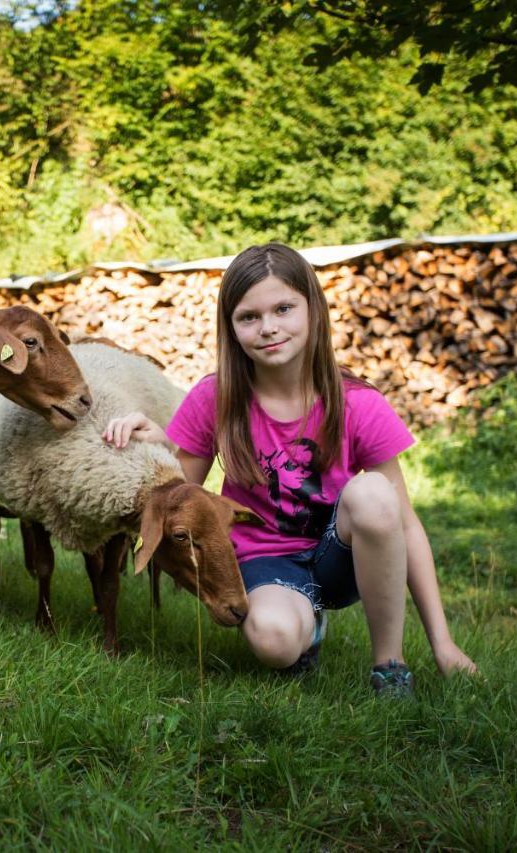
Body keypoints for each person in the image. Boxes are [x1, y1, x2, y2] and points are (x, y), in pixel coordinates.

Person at [103, 243, 476, 696]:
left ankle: (389, 665)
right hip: (264, 560)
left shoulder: (358, 402)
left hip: (341, 557)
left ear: (313, 310)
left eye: (283, 308)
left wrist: (443, 642)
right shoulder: (215, 398)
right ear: (231, 328)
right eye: (249, 317)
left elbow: (407, 525)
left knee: (376, 495)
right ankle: (305, 627)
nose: (268, 328)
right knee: (275, 643)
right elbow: (183, 493)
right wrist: (157, 444)